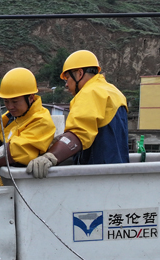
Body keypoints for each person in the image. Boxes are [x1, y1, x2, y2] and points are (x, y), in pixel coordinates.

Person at [26, 49, 129, 178]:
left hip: (98, 177)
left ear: (79, 73)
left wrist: (50, 156)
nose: (66, 85)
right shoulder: (114, 92)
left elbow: (78, 134)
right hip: (119, 174)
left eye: (67, 78)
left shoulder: (90, 93)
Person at [0, 67, 56, 174]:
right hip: (9, 180)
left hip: (28, 183)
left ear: (30, 98)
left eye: (15, 102)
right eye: (6, 101)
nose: (10, 107)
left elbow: (14, 151)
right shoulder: (11, 116)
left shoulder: (41, 121)